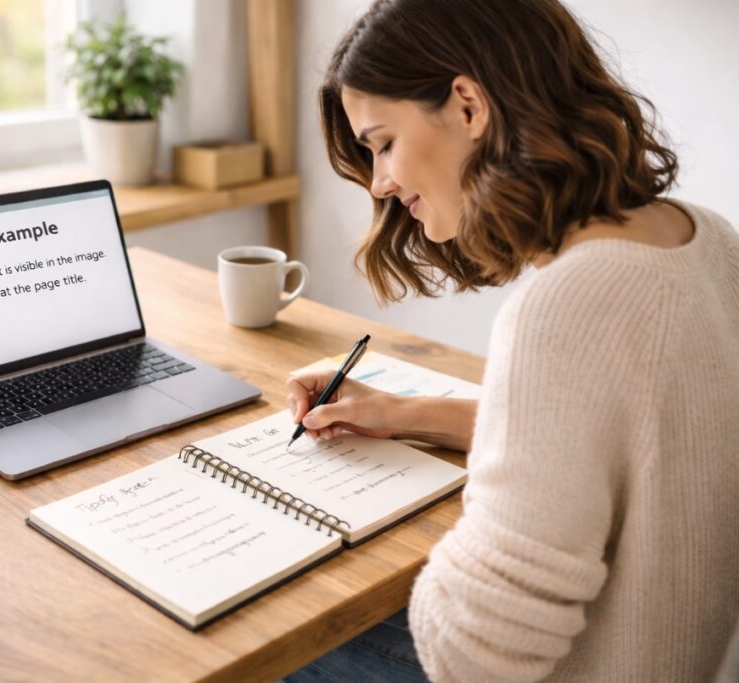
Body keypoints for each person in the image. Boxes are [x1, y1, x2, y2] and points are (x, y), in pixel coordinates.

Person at [283, 0, 739, 681]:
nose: (379, 181)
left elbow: (472, 652)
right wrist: (401, 414)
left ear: (468, 106)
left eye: (382, 142)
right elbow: (627, 444)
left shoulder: (566, 307)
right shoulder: (705, 239)